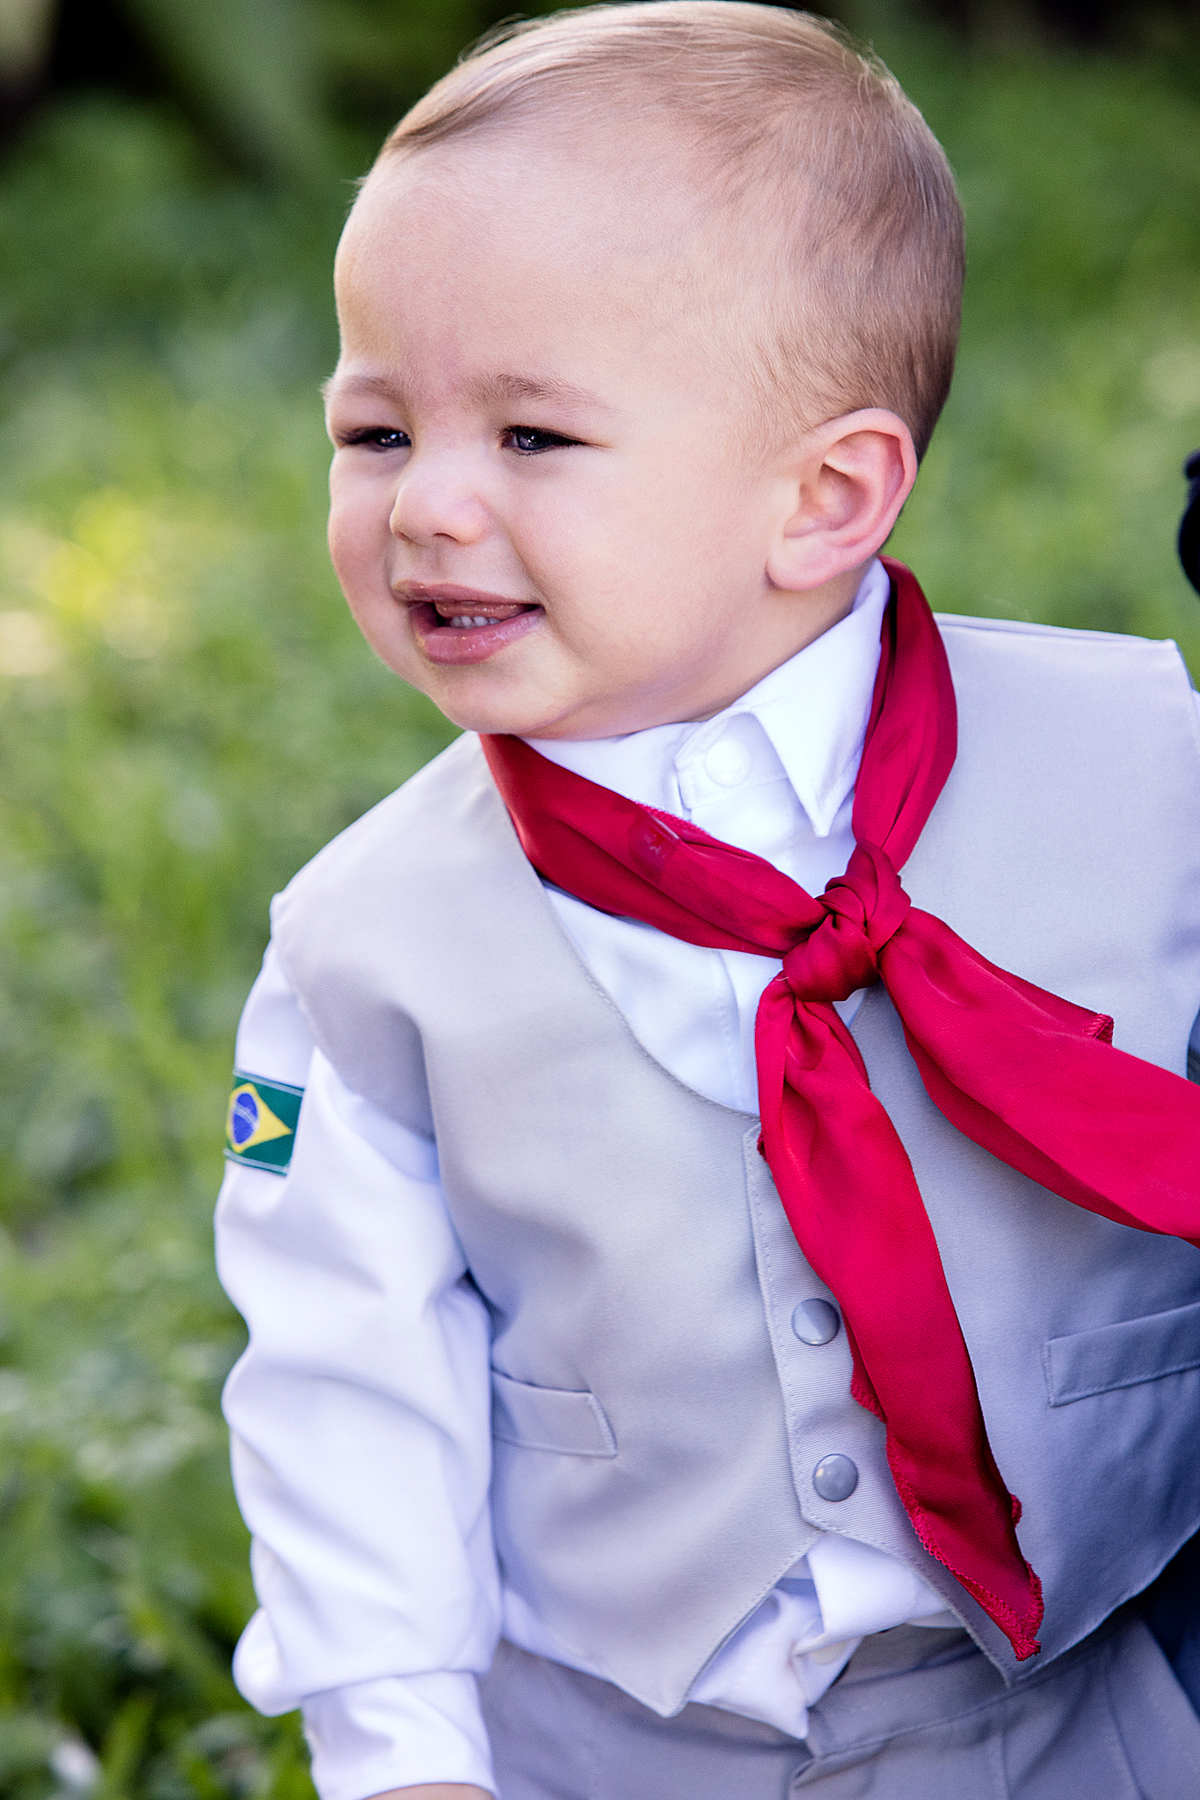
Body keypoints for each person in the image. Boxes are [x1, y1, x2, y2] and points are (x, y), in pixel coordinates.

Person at [214, 6, 1200, 1796]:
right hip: (616, 1742)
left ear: (824, 496)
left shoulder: (1146, 771)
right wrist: (406, 1753)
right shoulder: (369, 951)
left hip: (1095, 1711)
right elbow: (347, 1384)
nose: (427, 504)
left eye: (531, 437)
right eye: (374, 432)